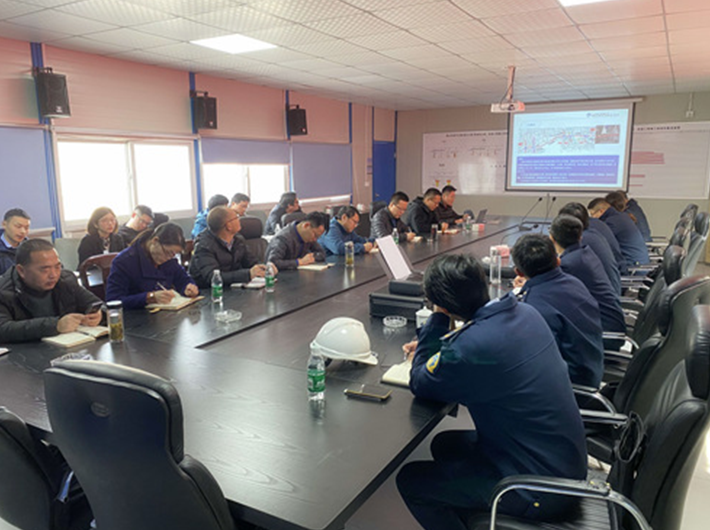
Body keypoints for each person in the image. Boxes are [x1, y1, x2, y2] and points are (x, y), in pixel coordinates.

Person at [397, 254, 587, 530]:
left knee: (412, 481)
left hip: (537, 490)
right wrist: (446, 348)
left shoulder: (471, 349)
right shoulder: (526, 313)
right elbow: (479, 347)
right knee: (445, 444)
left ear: (443, 303)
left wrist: (438, 319)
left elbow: (420, 382)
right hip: (561, 464)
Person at [512, 234, 604, 388]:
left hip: (572, 387)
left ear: (518, 272)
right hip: (591, 369)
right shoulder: (574, 282)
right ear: (558, 261)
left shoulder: (535, 307)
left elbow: (537, 362)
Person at [0, 239, 102, 343]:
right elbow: (3, 329)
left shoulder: (65, 280)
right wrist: (55, 325)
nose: (54, 275)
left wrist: (98, 314)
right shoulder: (4, 291)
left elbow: (95, 303)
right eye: (45, 269)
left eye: (57, 267)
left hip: (70, 346)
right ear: (21, 270)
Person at [550, 215, 626, 349]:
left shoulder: (570, 264)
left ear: (551, 238)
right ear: (580, 237)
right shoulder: (585, 253)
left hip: (604, 333)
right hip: (610, 324)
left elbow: (550, 297)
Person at [106, 222, 199, 310]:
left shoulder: (169, 259)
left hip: (165, 315)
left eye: (174, 254)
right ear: (155, 241)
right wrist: (149, 297)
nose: (169, 258)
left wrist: (189, 287)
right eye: (168, 252)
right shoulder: (124, 261)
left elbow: (182, 278)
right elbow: (113, 300)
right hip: (136, 316)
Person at [188, 206, 271, 288]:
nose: (239, 220)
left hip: (232, 288)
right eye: (236, 217)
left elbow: (251, 262)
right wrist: (248, 274)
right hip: (208, 291)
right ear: (228, 226)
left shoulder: (238, 240)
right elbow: (213, 277)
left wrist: (264, 268)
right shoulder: (204, 246)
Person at [558, 202, 621, 294]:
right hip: (611, 290)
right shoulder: (593, 233)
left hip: (603, 296)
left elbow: (564, 265)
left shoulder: (583, 240)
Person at [588, 198, 650, 266]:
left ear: (601, 211)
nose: (592, 217)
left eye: (592, 214)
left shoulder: (611, 222)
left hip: (633, 263)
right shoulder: (621, 216)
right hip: (639, 260)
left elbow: (601, 242)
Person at [0, 208, 31, 275]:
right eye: (18, 226)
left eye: (26, 228)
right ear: (4, 224)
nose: (23, 231)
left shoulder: (30, 248)